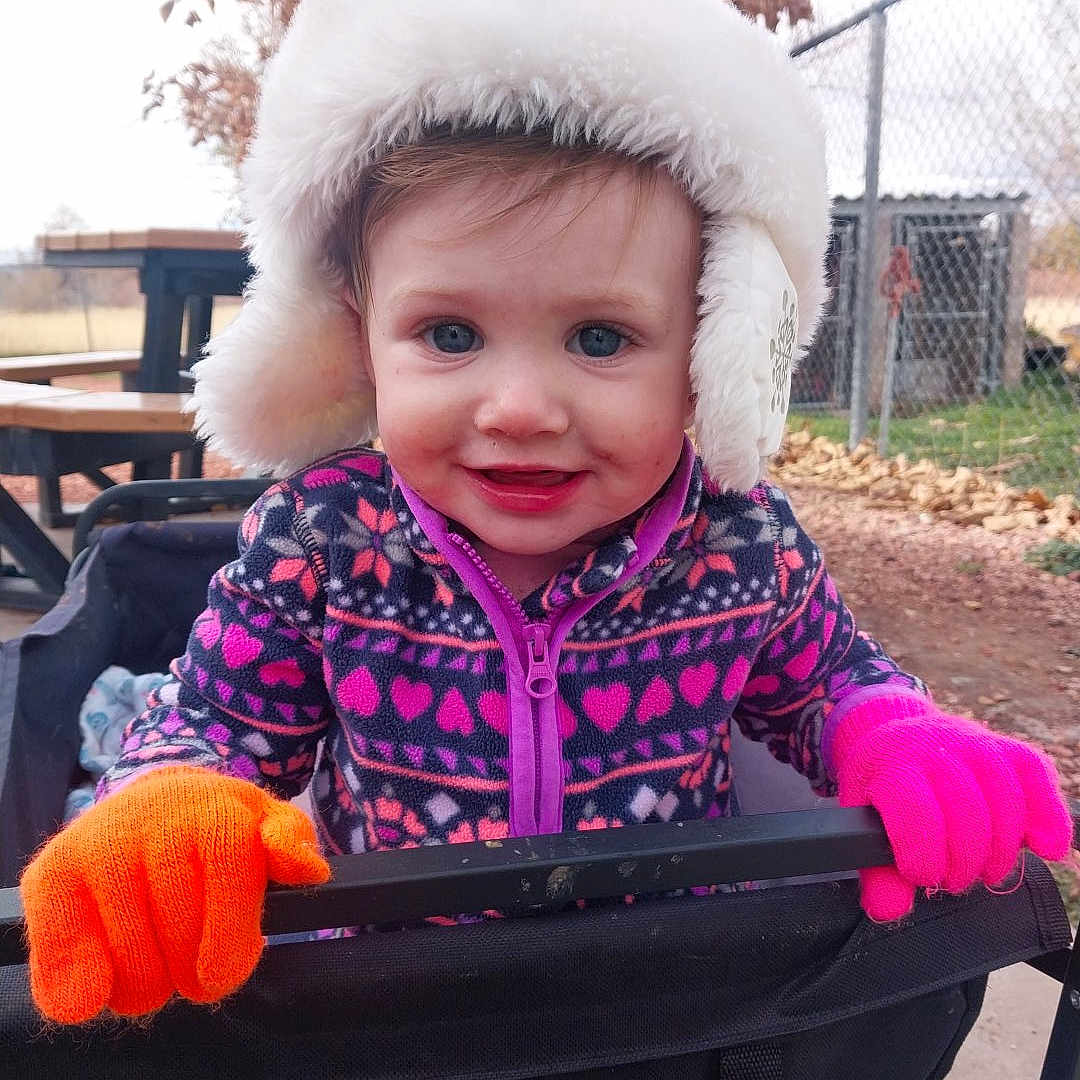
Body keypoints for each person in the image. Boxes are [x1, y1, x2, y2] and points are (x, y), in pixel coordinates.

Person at [20, 0, 1070, 1026]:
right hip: (392, 993)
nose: (519, 410)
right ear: (356, 340)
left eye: (601, 340)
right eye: (449, 334)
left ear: (714, 357)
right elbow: (216, 722)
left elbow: (828, 681)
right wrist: (169, 797)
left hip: (669, 992)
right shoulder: (325, 541)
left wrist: (898, 736)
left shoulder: (739, 544)